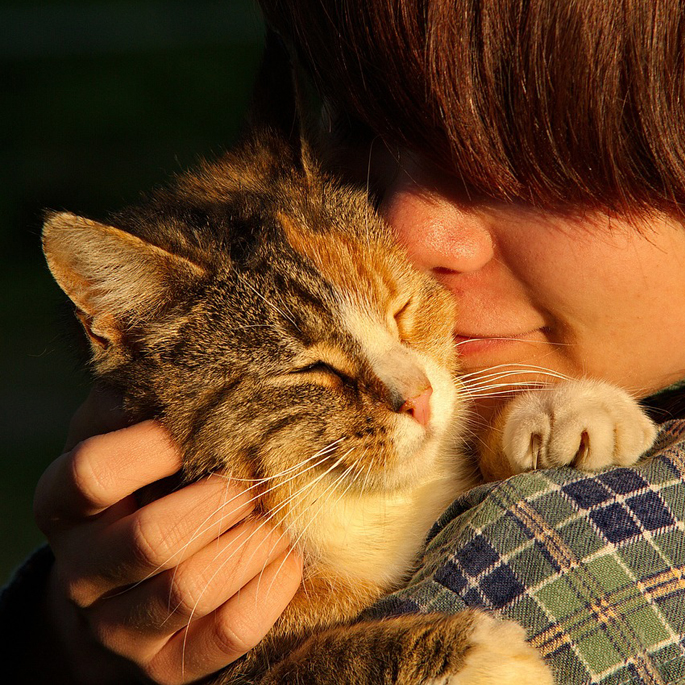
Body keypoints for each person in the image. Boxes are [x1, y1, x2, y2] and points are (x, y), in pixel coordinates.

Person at [3, 0, 685, 682]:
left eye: (529, 158)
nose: (404, 233)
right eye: (359, 126)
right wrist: (63, 641)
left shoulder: (599, 553)